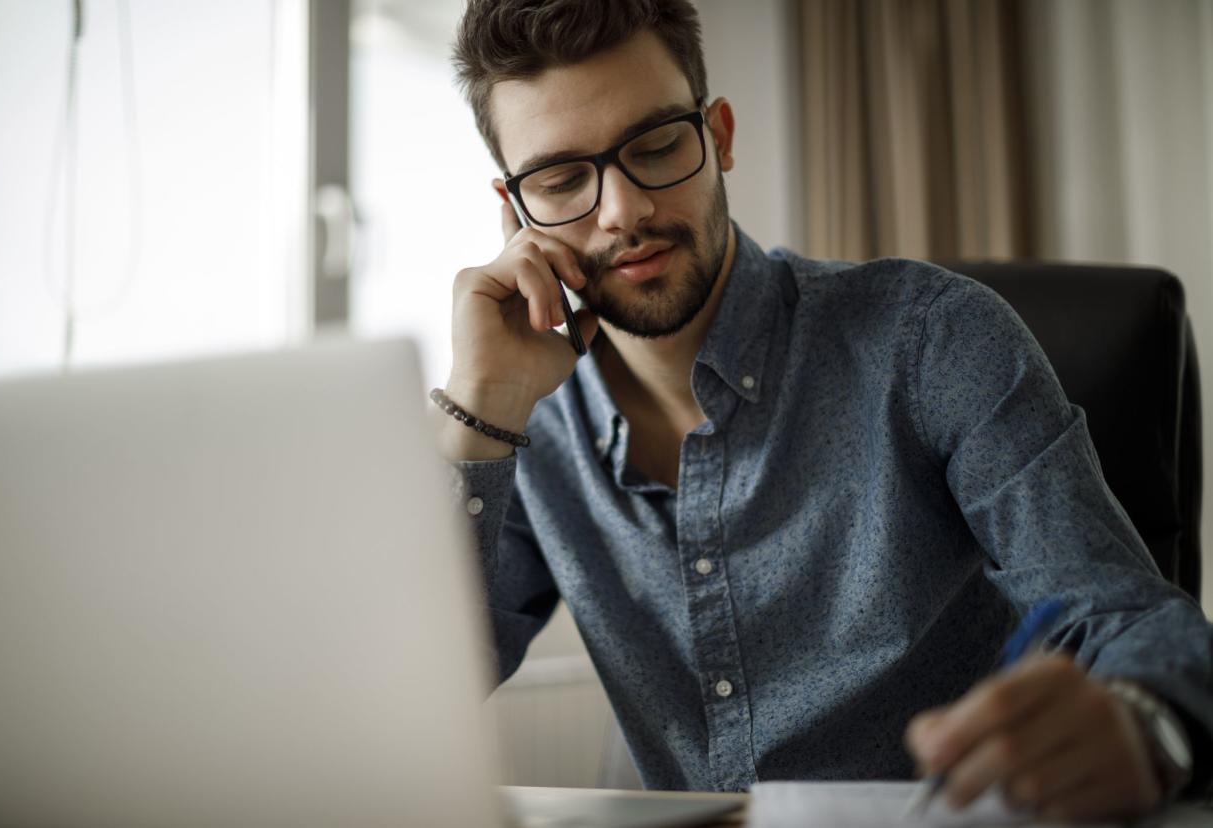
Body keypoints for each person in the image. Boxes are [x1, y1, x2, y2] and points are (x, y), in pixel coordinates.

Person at [435, 0, 1212, 820]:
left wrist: (1143, 725)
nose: (622, 211)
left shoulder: (932, 340)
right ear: (515, 207)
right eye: (561, 181)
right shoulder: (530, 423)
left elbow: (1127, 618)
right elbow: (408, 689)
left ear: (720, 136)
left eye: (657, 144)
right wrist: (481, 407)